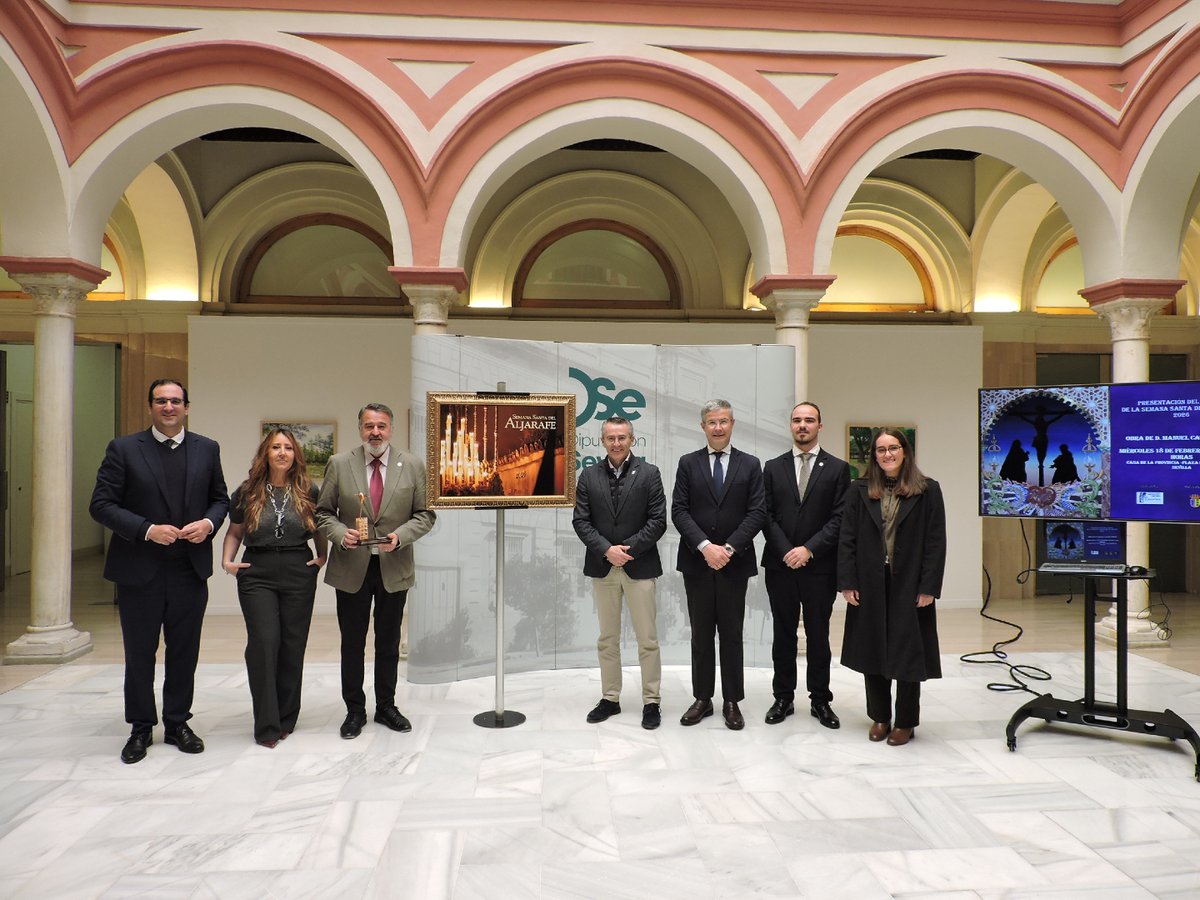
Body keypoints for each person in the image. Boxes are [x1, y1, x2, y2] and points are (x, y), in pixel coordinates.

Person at [89, 379, 229, 764]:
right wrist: (147, 530)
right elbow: (100, 504)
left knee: (184, 653)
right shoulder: (124, 449)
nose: (168, 407)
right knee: (139, 654)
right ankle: (140, 727)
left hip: (189, 569)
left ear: (187, 406)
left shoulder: (207, 448)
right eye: (161, 401)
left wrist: (209, 523)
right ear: (150, 406)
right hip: (139, 571)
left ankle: (178, 722)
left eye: (175, 401)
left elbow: (221, 499)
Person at [317, 402, 435, 739]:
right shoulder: (339, 464)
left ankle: (386, 706)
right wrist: (341, 534)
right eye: (369, 426)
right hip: (351, 567)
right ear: (360, 429)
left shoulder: (411, 465)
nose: (375, 433)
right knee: (352, 643)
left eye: (381, 426)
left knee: (388, 641)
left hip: (393, 565)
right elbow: (323, 512)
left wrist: (399, 538)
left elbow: (425, 515)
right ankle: (354, 710)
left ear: (391, 429)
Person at [837, 427, 946, 746]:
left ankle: (906, 721)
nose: (887, 454)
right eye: (881, 450)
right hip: (870, 582)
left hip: (910, 584)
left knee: (908, 653)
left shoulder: (928, 490)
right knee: (873, 651)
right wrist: (847, 581)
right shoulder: (859, 489)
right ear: (874, 456)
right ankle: (880, 717)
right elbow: (847, 538)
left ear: (905, 451)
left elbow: (935, 542)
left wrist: (929, 586)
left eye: (893, 448)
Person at [222, 429, 328, 748]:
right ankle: (266, 724)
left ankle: (286, 717)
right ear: (265, 453)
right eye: (275, 447)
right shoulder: (247, 491)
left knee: (293, 644)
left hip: (298, 568)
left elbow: (320, 527)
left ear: (296, 454)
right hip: (258, 572)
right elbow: (235, 532)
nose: (282, 452)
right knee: (264, 643)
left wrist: (322, 557)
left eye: (288, 448)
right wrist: (227, 561)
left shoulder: (309, 489)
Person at [671, 399, 767, 730]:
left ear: (732, 423)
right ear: (703, 427)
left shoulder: (751, 465)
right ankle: (702, 699)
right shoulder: (687, 463)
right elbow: (679, 510)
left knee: (731, 634)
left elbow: (757, 511)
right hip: (697, 564)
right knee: (700, 633)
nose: (718, 427)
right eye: (712, 422)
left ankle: (731, 701)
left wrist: (727, 548)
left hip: (734, 563)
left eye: (724, 421)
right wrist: (705, 547)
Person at [572, 416, 667, 730]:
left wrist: (626, 550)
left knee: (647, 639)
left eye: (622, 437)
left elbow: (658, 520)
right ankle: (610, 698)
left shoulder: (650, 474)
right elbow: (581, 521)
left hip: (639, 566)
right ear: (602, 441)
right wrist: (606, 550)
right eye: (611, 438)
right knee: (607, 638)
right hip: (603, 567)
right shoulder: (588, 476)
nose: (616, 443)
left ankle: (651, 701)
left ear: (632, 439)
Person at [760, 402, 850, 729]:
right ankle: (783, 697)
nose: (802, 425)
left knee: (818, 635)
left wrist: (808, 549)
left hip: (819, 567)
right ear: (790, 426)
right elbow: (765, 515)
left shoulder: (838, 469)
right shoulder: (772, 467)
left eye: (809, 420)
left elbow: (840, 519)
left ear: (820, 426)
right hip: (780, 564)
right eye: (797, 420)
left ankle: (820, 700)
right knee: (783, 634)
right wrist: (788, 550)